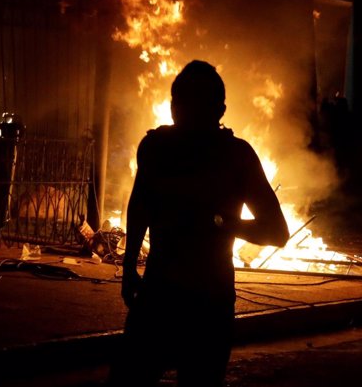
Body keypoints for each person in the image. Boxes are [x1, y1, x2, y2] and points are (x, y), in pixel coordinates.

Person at [107, 60, 289, 387]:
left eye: (195, 104)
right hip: (174, 295)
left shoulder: (232, 156)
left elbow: (277, 231)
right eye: (182, 104)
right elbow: (140, 205)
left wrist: (224, 223)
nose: (186, 114)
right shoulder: (158, 148)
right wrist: (130, 264)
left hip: (202, 299)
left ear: (218, 111)